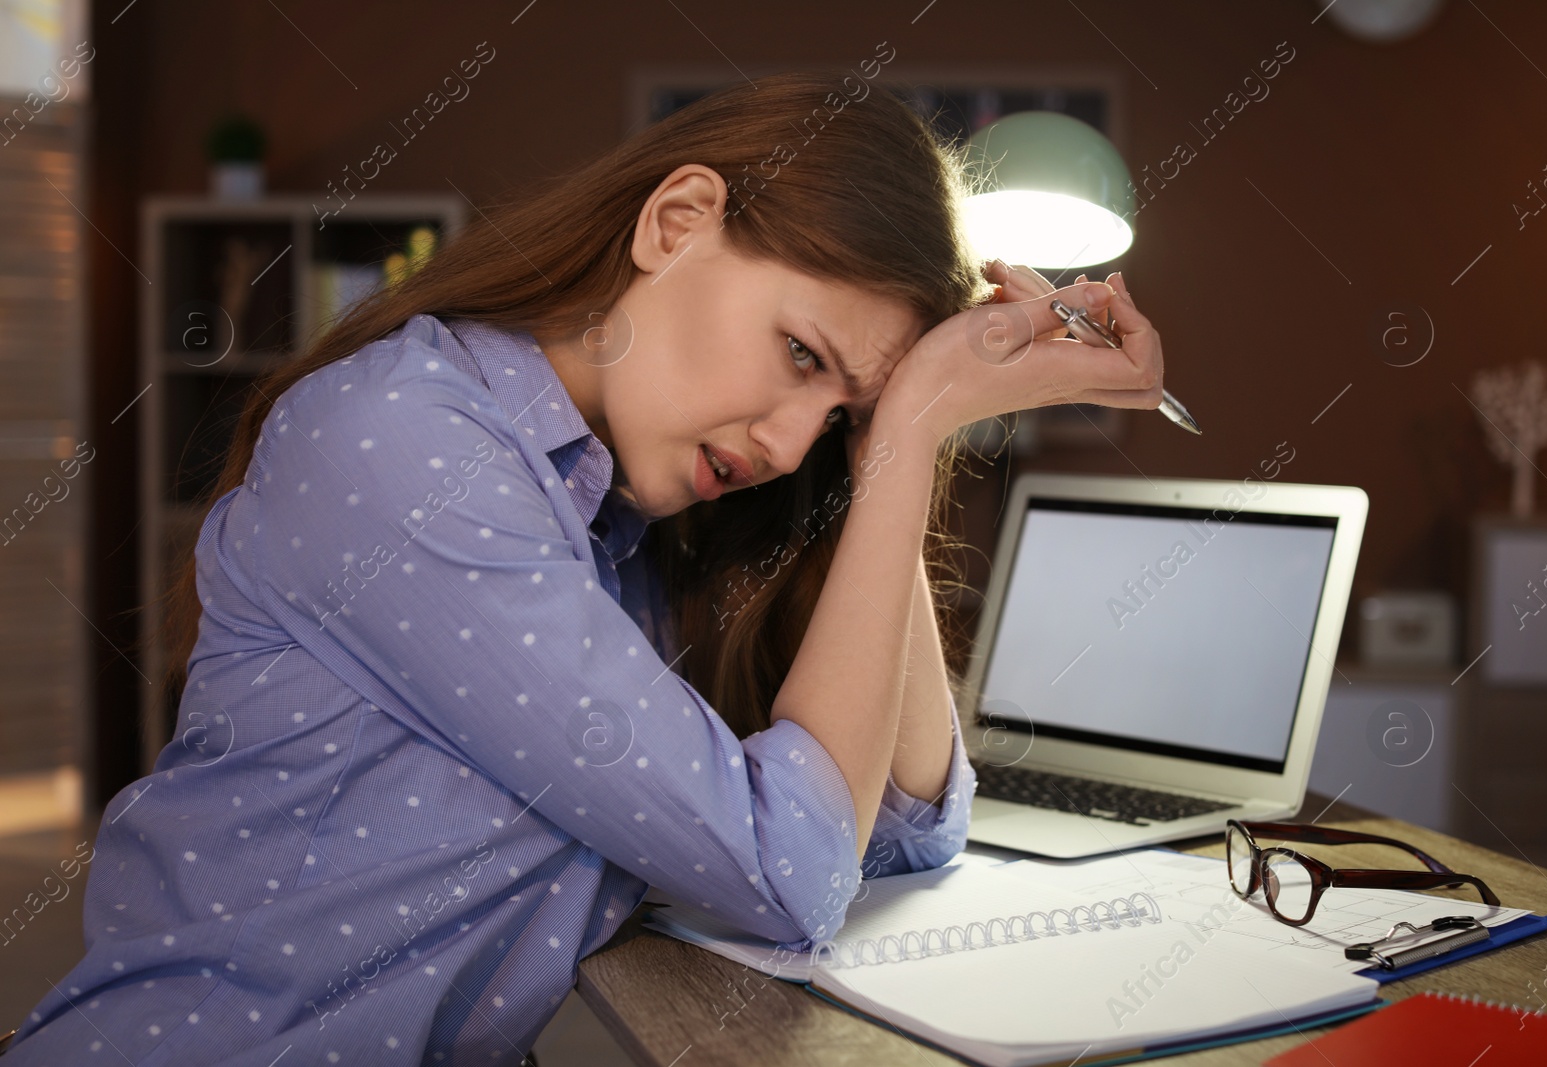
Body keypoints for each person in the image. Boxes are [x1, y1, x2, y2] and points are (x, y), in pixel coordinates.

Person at [4, 71, 1162, 1065]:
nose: (781, 446)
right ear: (677, 221)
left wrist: (894, 435)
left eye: (836, 414)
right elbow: (793, 868)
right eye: (799, 352)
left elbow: (902, 832)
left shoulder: (600, 518)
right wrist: (910, 435)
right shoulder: (405, 445)